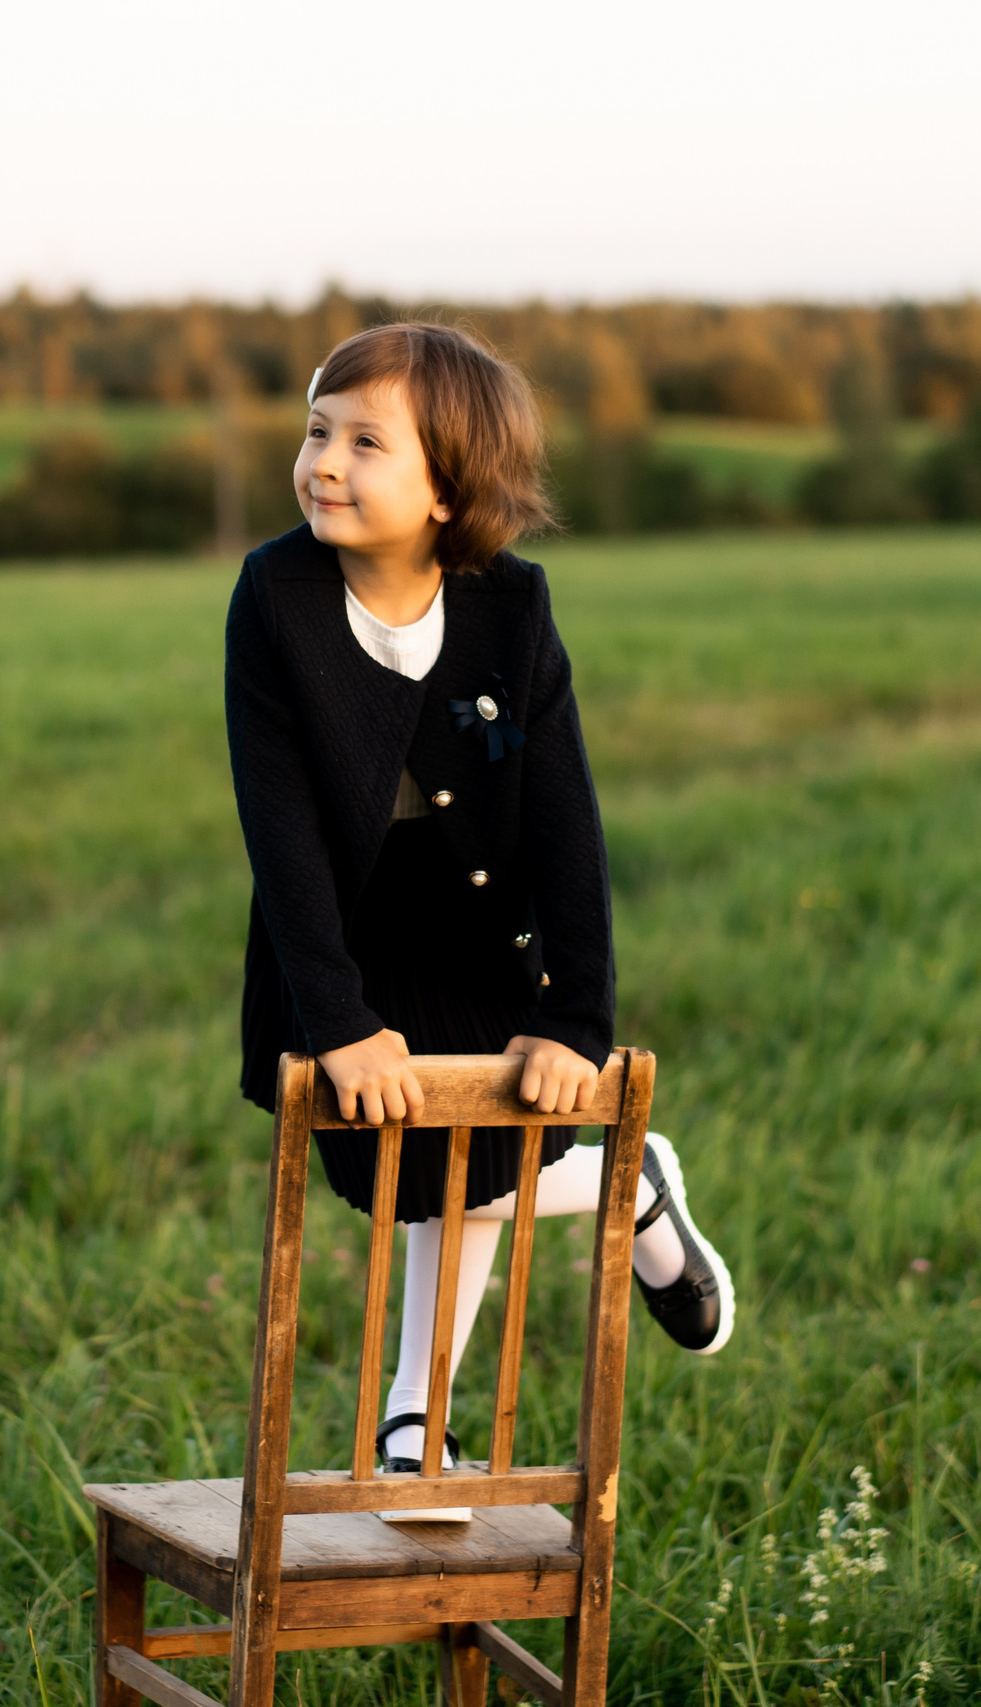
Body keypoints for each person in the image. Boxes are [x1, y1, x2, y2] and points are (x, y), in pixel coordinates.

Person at [223, 322, 735, 1521]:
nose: (323, 463)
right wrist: (336, 1019)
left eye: (364, 441)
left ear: (449, 487)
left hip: (479, 943)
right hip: (344, 948)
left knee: (466, 1158)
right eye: (315, 430)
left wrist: (577, 1021)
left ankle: (413, 1426)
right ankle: (633, 1186)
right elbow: (279, 830)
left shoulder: (511, 608)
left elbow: (565, 821)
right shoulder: (275, 599)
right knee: (403, 1175)